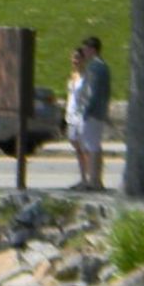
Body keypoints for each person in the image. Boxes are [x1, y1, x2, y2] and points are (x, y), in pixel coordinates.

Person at [76, 36, 110, 191]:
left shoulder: (95, 68)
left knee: (91, 147)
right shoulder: (103, 66)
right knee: (95, 145)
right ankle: (96, 179)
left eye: (85, 49)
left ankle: (93, 180)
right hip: (99, 111)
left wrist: (86, 111)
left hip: (92, 112)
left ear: (92, 50)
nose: (83, 52)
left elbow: (92, 92)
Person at [64, 47, 88, 184]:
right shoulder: (72, 76)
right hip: (71, 114)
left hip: (81, 115)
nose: (75, 61)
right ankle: (83, 176)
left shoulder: (86, 77)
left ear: (83, 60)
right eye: (73, 58)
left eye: (78, 58)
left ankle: (88, 177)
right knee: (75, 144)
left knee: (83, 147)